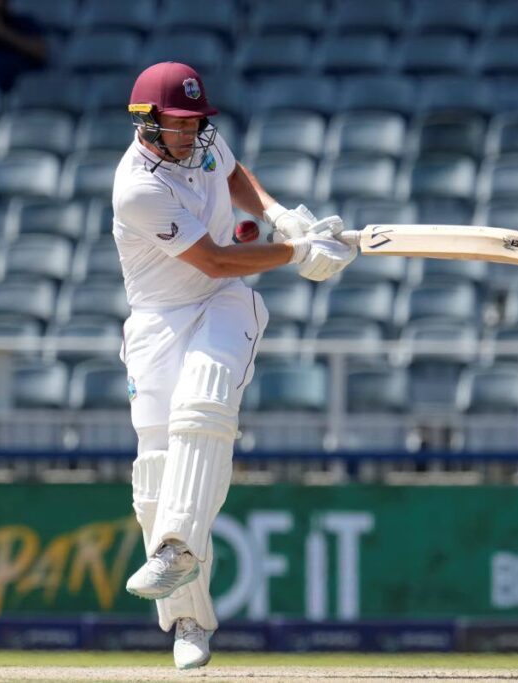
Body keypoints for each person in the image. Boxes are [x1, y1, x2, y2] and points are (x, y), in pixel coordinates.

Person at [114, 61, 355, 669]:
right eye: (178, 124)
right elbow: (218, 258)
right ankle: (190, 623)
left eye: (198, 123)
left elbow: (233, 172)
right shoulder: (139, 186)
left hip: (225, 304)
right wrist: (299, 250)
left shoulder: (200, 142)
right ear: (147, 124)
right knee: (154, 479)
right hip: (161, 317)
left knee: (203, 406)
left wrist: (280, 215)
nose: (192, 134)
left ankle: (177, 547)